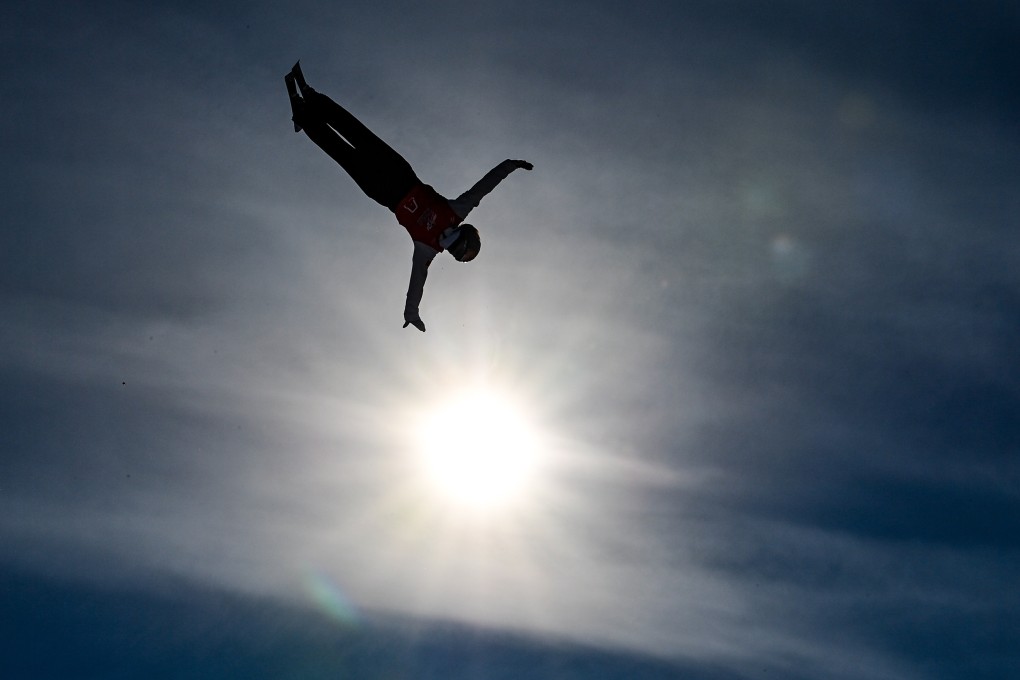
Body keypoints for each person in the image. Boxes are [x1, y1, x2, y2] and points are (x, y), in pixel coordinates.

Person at [285, 62, 533, 332]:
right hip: (396, 177)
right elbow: (484, 187)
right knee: (356, 138)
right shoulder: (452, 216)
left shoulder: (428, 247)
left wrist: (412, 313)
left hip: (386, 187)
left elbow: (417, 284)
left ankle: (309, 110)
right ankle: (312, 102)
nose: (457, 252)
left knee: (346, 151)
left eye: (461, 256)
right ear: (465, 237)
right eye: (463, 252)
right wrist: (510, 165)